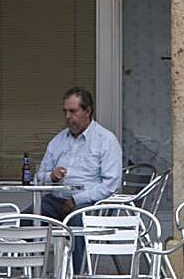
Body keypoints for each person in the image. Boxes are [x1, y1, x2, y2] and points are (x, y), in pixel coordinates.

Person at [34, 87, 122, 220]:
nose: (67, 116)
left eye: (73, 111)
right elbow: (38, 177)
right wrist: (51, 177)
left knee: (78, 221)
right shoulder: (58, 140)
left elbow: (111, 185)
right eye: (65, 112)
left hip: (90, 203)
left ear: (88, 111)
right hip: (56, 200)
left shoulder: (106, 140)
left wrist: (77, 199)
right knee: (26, 220)